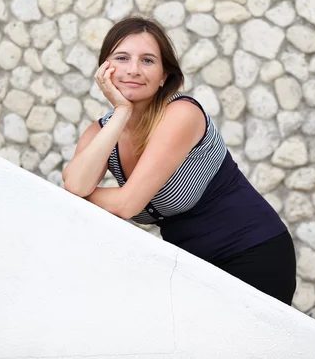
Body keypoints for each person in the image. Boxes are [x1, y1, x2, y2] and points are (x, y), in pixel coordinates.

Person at [62, 16, 296, 305]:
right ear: (104, 70)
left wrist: (83, 195)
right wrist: (121, 112)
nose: (134, 70)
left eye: (148, 61)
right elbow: (74, 186)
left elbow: (125, 204)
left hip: (253, 252)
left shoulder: (182, 114)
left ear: (163, 76)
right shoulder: (102, 131)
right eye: (122, 58)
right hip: (193, 267)